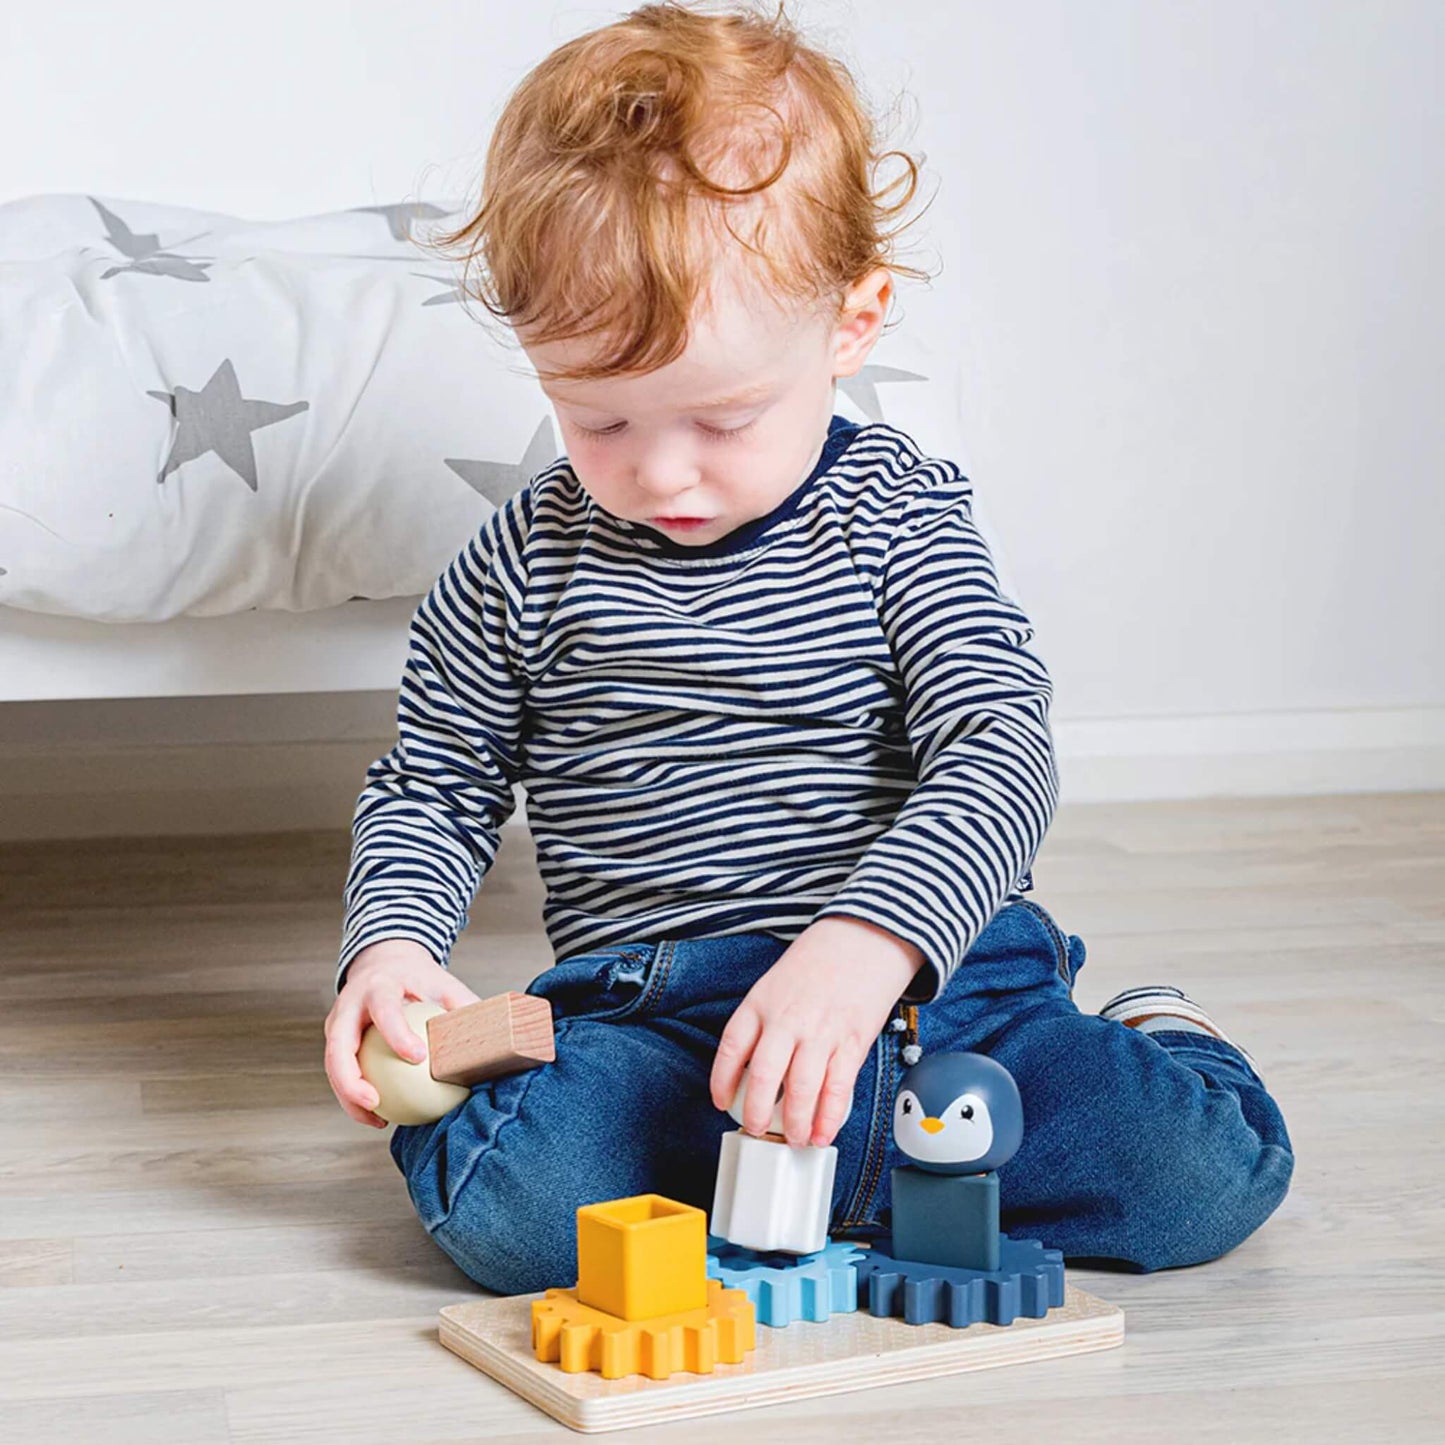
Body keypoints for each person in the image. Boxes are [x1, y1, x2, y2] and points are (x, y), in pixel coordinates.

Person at [323, 1, 1293, 1293]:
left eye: (719, 416)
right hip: (665, 1019)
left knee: (1197, 1173)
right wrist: (391, 945)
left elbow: (1000, 748)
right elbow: (430, 785)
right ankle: (867, 1186)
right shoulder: (518, 565)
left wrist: (867, 938)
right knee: (507, 1202)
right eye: (597, 414)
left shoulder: (895, 516)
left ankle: (1136, 1043)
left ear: (851, 320)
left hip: (933, 998)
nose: (658, 469)